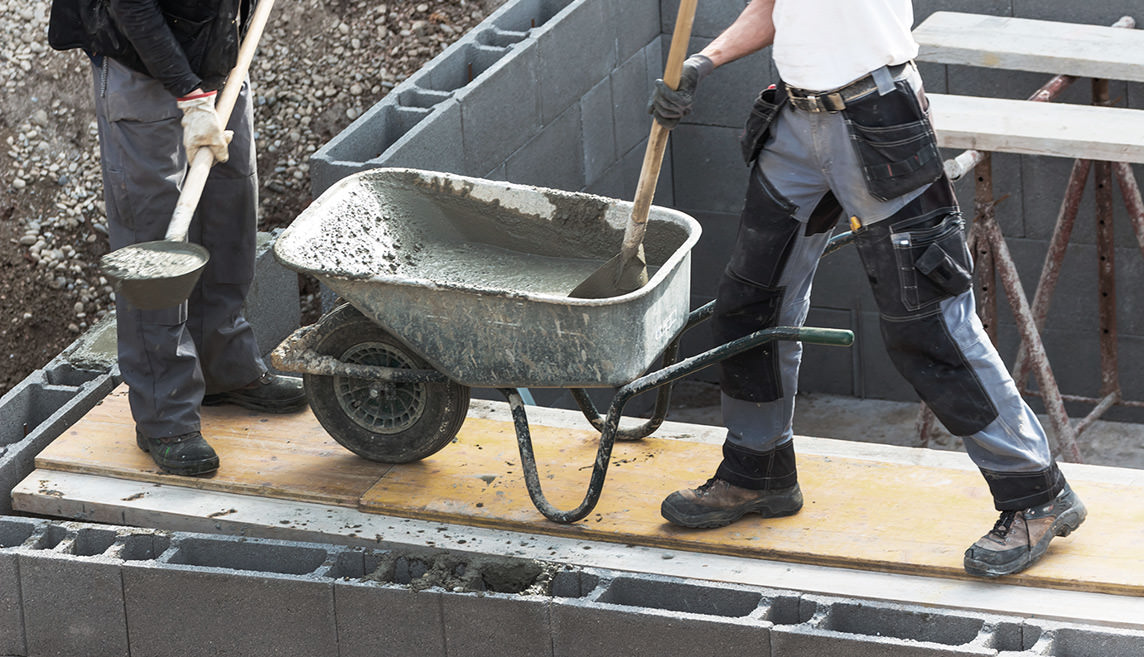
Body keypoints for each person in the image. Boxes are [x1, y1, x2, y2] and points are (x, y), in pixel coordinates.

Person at [649, 0, 1085, 578]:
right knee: (749, 304)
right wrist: (703, 62)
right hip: (794, 123)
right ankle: (758, 470)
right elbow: (768, 10)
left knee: (928, 323)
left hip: (879, 123)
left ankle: (1036, 492)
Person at [48, 0, 305, 476]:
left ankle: (223, 367)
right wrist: (188, 96)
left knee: (229, 216)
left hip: (219, 51)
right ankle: (164, 414)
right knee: (155, 248)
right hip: (140, 61)